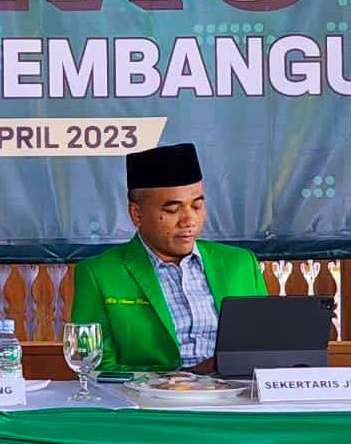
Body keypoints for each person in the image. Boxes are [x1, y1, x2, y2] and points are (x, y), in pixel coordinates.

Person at [69, 142, 266, 373]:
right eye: (172, 210)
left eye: (197, 206)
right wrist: (180, 380)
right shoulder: (100, 274)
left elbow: (267, 345)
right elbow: (96, 366)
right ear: (137, 214)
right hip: (150, 395)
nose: (189, 221)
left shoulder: (240, 263)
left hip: (236, 390)